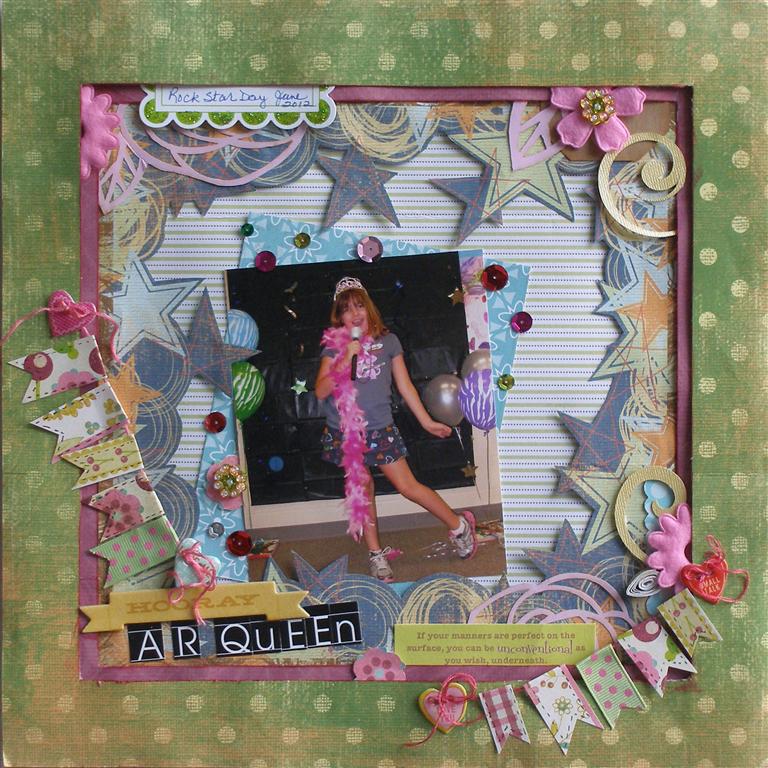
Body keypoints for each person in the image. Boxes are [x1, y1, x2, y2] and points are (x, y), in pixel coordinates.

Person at [314, 276, 477, 581]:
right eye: (346, 309)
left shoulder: (388, 342)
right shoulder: (334, 349)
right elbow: (321, 391)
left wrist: (427, 422)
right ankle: (376, 554)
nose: (355, 313)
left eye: (359, 305)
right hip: (345, 433)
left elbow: (405, 387)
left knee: (407, 486)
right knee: (362, 490)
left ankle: (459, 526)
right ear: (339, 317)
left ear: (369, 307)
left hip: (379, 429)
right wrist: (343, 360)